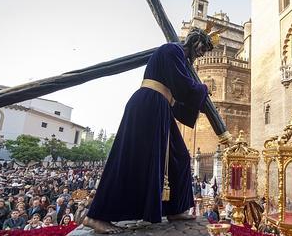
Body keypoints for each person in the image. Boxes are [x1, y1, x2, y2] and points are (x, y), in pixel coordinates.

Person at [83, 27, 215, 234]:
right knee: (130, 158)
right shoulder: (172, 50)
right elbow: (182, 86)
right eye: (202, 48)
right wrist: (204, 89)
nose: (202, 54)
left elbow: (178, 94)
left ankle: (175, 208)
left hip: (161, 107)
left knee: (179, 155)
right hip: (148, 105)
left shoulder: (179, 58)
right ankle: (96, 216)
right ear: (195, 41)